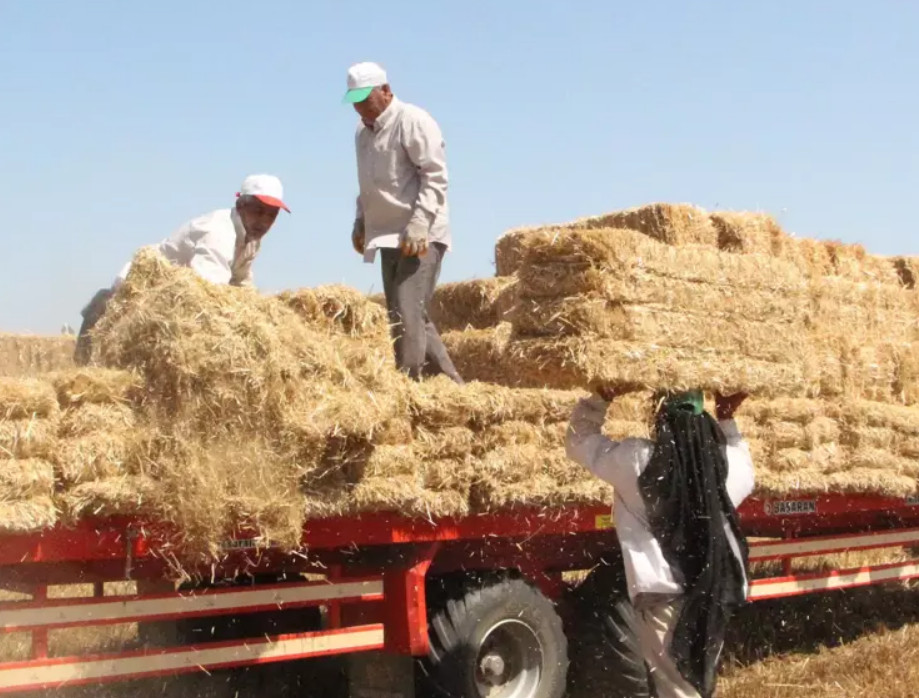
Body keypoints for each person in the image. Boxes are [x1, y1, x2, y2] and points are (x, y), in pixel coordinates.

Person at [565, 385, 754, 698]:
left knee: (677, 691)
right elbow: (746, 466)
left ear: (660, 419)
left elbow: (578, 440)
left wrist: (602, 397)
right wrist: (727, 417)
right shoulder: (724, 467)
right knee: (695, 684)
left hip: (663, 597)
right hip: (712, 594)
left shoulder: (639, 460)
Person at [73, 174, 290, 365]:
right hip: (141, 293)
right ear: (242, 205)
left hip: (172, 301)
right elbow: (209, 293)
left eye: (271, 215)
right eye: (259, 211)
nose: (264, 221)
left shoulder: (251, 239)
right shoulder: (218, 233)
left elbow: (241, 282)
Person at [344, 61, 462, 383]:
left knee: (409, 315)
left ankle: (407, 388)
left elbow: (435, 176)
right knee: (404, 317)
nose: (360, 108)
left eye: (366, 100)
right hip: (386, 236)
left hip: (418, 236)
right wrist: (361, 221)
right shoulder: (361, 133)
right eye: (354, 101)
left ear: (386, 91)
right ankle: (455, 390)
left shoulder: (412, 121)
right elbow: (368, 183)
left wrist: (420, 223)